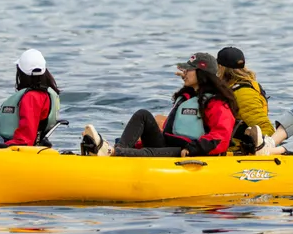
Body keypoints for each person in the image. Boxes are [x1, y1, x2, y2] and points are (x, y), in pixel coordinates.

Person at [81, 52, 236, 158]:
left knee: (151, 152)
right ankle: (117, 150)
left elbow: (221, 137)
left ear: (202, 73)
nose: (184, 72)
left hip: (189, 150)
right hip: (168, 144)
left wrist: (193, 148)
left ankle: (113, 152)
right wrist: (136, 145)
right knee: (143, 115)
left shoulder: (216, 102)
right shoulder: (188, 95)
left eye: (189, 69)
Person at [216, 46, 274, 154]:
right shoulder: (229, 88)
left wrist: (254, 147)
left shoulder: (243, 93)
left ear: (221, 67)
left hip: (238, 152)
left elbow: (266, 129)